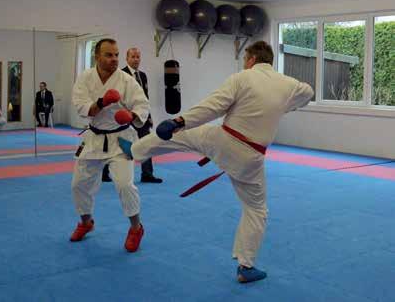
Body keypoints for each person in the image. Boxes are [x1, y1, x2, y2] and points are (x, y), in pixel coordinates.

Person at [126, 41, 314, 282]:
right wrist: (287, 104)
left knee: (180, 137)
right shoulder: (289, 85)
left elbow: (213, 106)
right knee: (256, 210)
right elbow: (308, 92)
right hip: (251, 159)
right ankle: (246, 267)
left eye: (246, 59)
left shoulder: (242, 77)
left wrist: (178, 121)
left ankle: (134, 151)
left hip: (222, 141)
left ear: (252, 59)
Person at [70, 38, 150, 253]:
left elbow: (142, 105)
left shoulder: (126, 80)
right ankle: (86, 222)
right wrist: (102, 102)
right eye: (109, 55)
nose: (114, 59)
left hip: (121, 138)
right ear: (97, 57)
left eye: (116, 54)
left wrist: (131, 115)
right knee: (79, 184)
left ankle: (136, 228)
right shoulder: (85, 78)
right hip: (94, 138)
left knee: (125, 184)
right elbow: (81, 106)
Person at [102, 48, 163, 184]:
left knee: (147, 144)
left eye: (138, 57)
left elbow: (145, 99)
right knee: (117, 145)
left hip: (140, 116)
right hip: (124, 116)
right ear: (127, 58)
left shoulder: (143, 75)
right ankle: (104, 172)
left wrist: (148, 115)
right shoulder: (120, 75)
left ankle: (147, 174)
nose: (136, 59)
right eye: (133, 57)